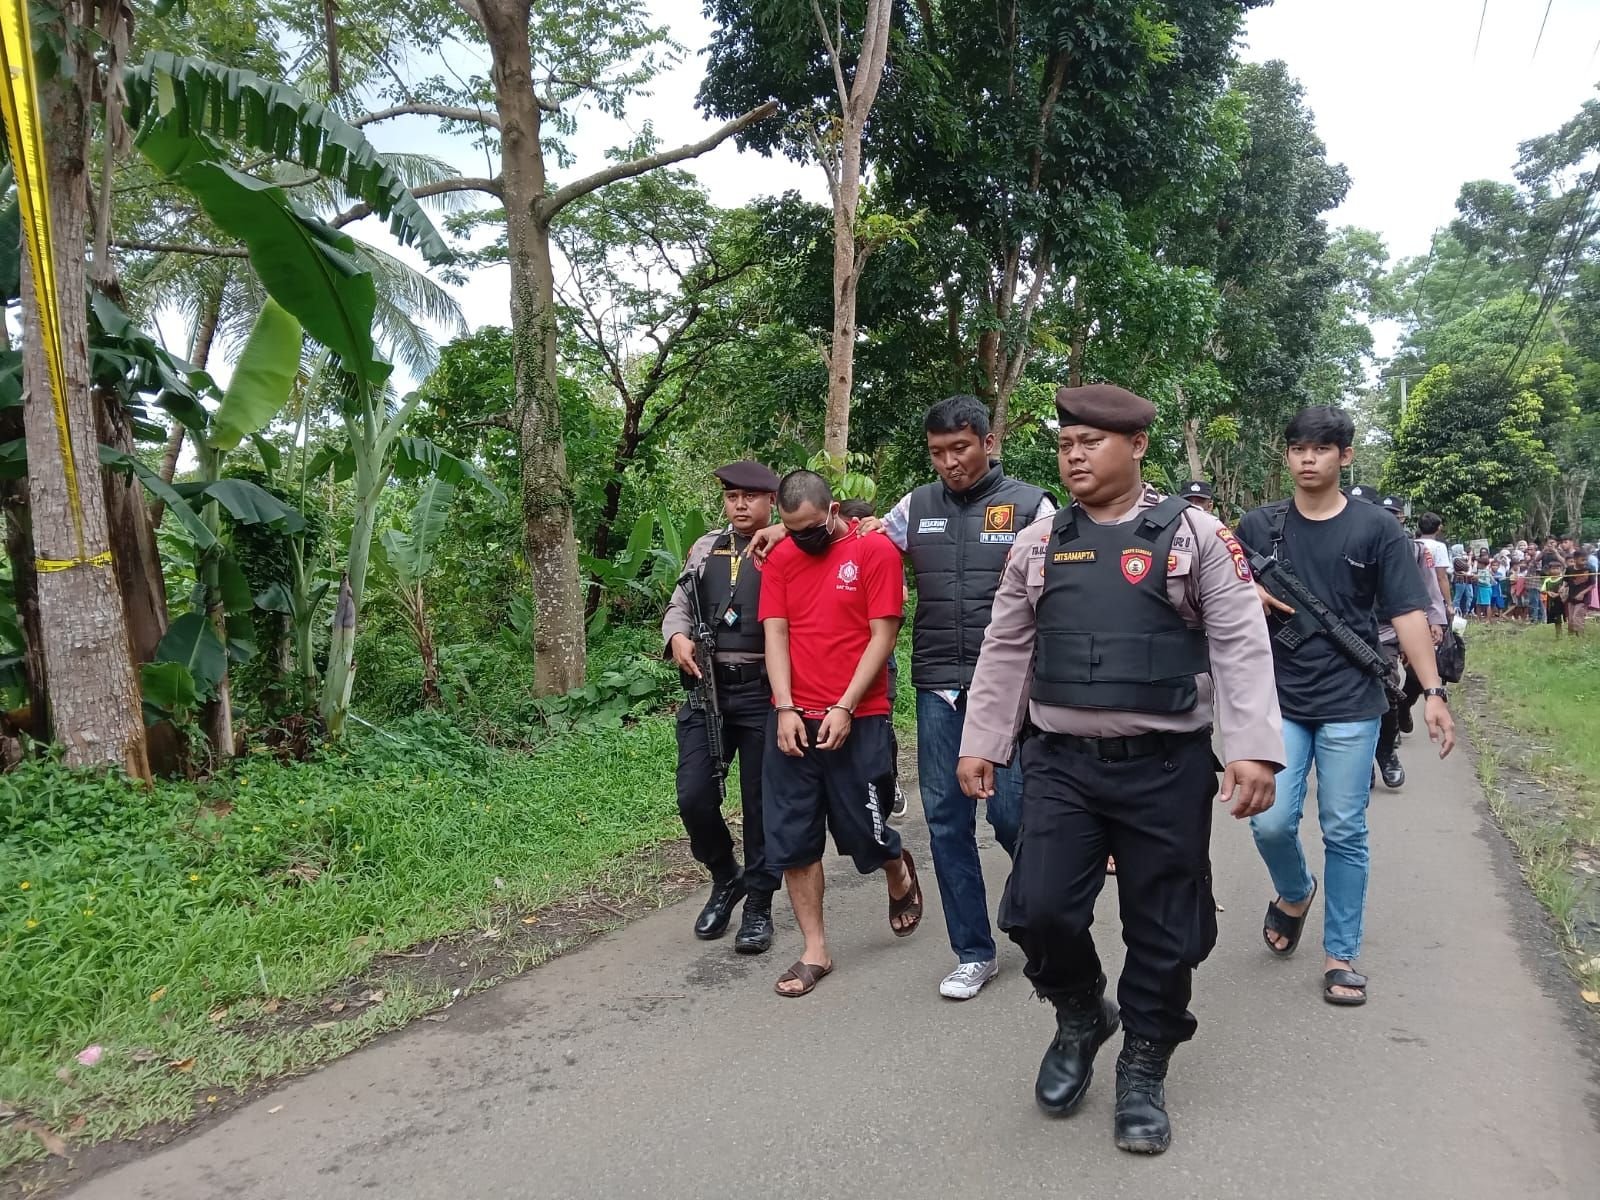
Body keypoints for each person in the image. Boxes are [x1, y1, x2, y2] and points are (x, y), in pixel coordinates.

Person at [956, 384, 1284, 1155]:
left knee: (1164, 927)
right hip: (1062, 763)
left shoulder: (1193, 536)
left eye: (1091, 442)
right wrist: (984, 739)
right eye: (1066, 442)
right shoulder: (1038, 543)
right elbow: (1007, 646)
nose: (1073, 454)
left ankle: (1144, 1062)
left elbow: (1239, 640)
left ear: (1136, 446)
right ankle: (1079, 1013)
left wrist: (1252, 747)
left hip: (1164, 764)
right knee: (1038, 909)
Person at [753, 396, 1055, 1000]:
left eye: (961, 449)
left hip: (1015, 686)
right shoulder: (915, 507)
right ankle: (973, 951)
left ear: (988, 442)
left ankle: (1040, 919)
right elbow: (850, 538)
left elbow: (1067, 577)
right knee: (946, 822)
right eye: (938, 453)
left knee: (1011, 815)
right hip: (938, 682)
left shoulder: (1031, 506)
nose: (950, 463)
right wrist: (775, 533)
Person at [1237, 406, 1455, 1012]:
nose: (1308, 459)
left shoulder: (1377, 529)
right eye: (1298, 449)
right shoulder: (1259, 526)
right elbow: (1211, 584)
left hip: (1351, 700)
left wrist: (1432, 691)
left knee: (1344, 826)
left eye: (1321, 449)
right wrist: (1242, 587)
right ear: (1287, 456)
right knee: (1271, 820)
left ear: (1345, 456)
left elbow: (1408, 611)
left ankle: (1341, 954)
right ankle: (1295, 890)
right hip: (1278, 697)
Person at [759, 469, 922, 997]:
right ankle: (815, 950)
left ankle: (896, 867)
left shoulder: (873, 552)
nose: (801, 537)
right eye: (791, 528)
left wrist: (845, 705)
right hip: (793, 718)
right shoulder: (780, 557)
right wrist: (784, 707)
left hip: (860, 713)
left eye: (809, 527)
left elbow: (883, 635)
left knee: (863, 833)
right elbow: (776, 633)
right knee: (793, 837)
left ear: (832, 512)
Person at [661, 461, 784, 954]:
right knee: (693, 796)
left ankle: (759, 903)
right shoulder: (706, 547)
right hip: (707, 690)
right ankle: (725, 874)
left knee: (759, 807)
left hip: (762, 692)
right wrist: (676, 636)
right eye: (732, 496)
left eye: (751, 497)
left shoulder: (786, 545)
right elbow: (681, 601)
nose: (740, 505)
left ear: (770, 501)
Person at [836, 498, 909, 821]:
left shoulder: (880, 549)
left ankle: (889, 781)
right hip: (842, 659)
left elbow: (902, 595)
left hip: (881, 657)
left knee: (883, 726)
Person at [1371, 493, 1448, 790]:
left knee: (1389, 691)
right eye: (1384, 513)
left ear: (1402, 518)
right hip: (1349, 631)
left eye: (1395, 514)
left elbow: (1428, 587)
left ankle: (1386, 751)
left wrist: (1435, 621)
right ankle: (1362, 762)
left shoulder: (1413, 550)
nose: (1389, 519)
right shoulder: (1352, 540)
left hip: (1392, 631)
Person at [1416, 513, 1453, 621]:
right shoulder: (1439, 547)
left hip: (1413, 596)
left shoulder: (1411, 544)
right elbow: (1441, 577)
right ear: (1438, 528)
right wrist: (1449, 604)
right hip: (1433, 596)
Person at [1563, 552, 1592, 637]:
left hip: (1583, 599)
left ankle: (1580, 638)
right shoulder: (1569, 569)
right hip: (1571, 598)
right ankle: (1571, 639)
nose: (1585, 562)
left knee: (1577, 618)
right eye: (1582, 560)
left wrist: (1582, 593)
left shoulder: (1590, 569)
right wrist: (1563, 587)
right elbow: (1566, 580)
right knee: (1571, 620)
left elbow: (1592, 584)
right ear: (1575, 560)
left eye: (1586, 560)